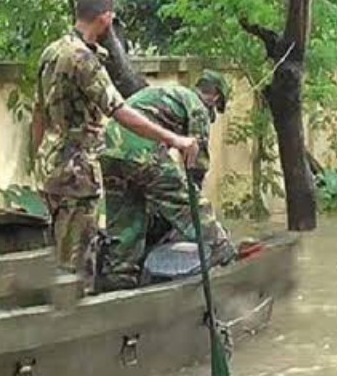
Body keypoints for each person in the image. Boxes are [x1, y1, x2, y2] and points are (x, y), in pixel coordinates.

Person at [32, 0, 198, 292]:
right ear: (105, 18)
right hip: (76, 173)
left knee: (60, 256)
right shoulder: (84, 59)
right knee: (78, 266)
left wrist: (37, 162)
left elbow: (38, 115)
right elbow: (119, 110)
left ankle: (58, 317)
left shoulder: (51, 52)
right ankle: (76, 329)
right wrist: (174, 139)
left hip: (49, 166)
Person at [98, 72, 236, 291]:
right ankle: (220, 246)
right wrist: (191, 202)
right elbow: (196, 163)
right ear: (215, 97)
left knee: (126, 217)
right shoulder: (197, 105)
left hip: (109, 151)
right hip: (140, 149)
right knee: (183, 201)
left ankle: (119, 276)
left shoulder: (165, 93)